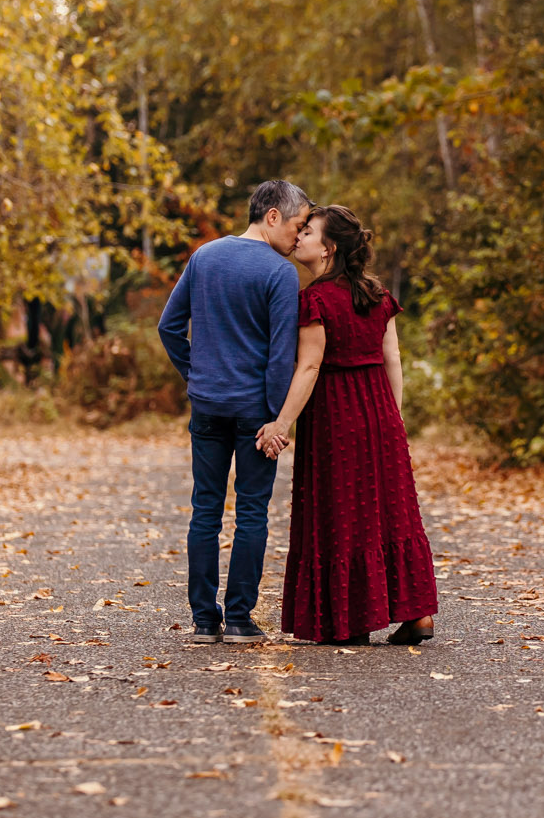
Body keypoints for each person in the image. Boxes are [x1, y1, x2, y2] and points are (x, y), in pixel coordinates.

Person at [257, 205, 437, 645]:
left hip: (336, 416)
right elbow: (393, 358)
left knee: (342, 515)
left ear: (328, 248)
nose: (298, 238)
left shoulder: (315, 299)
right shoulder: (377, 295)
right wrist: (393, 419)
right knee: (390, 513)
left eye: (308, 233)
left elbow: (310, 367)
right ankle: (417, 614)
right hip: (380, 411)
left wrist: (281, 424)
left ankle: (349, 619)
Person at [157, 179, 312, 643]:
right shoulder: (279, 273)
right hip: (255, 413)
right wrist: (277, 419)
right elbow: (281, 355)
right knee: (251, 512)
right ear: (272, 216)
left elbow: (169, 327)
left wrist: (196, 374)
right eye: (298, 225)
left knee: (204, 510)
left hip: (207, 405)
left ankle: (205, 620)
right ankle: (241, 618)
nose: (299, 237)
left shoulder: (204, 257)